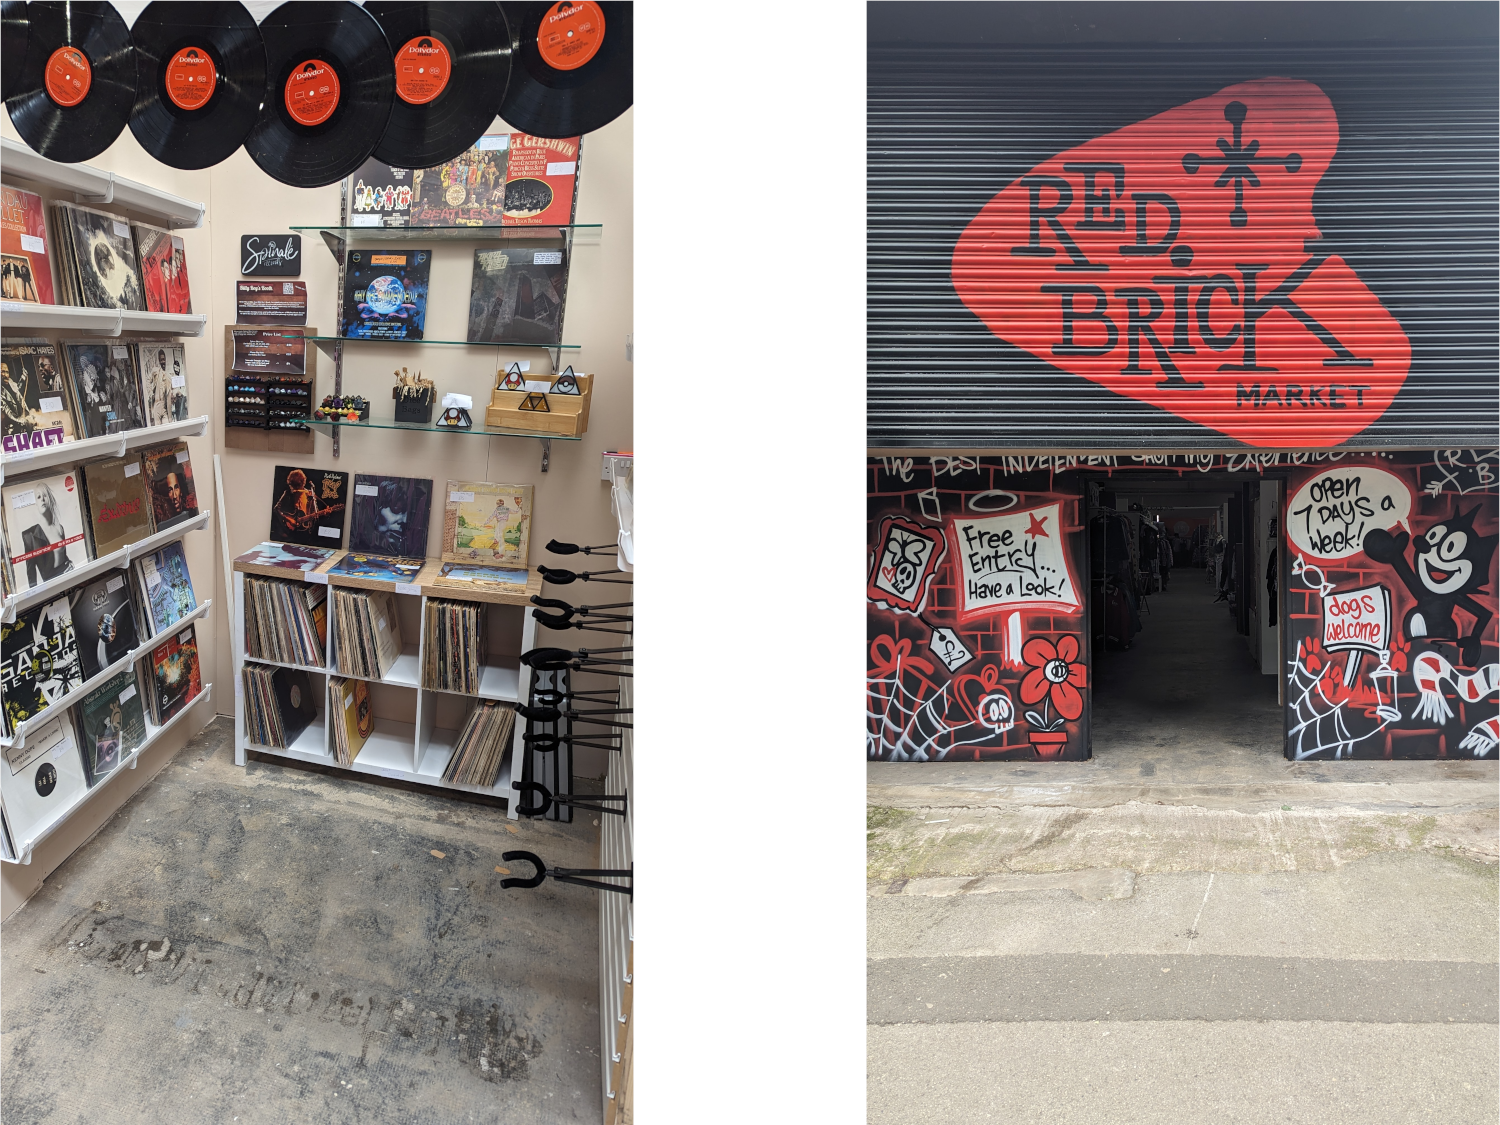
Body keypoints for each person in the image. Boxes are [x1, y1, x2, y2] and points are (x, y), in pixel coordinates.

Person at [19, 482, 75, 586]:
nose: (42, 499)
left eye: (45, 495)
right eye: (38, 497)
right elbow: (31, 571)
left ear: (50, 499)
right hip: (52, 584)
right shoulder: (29, 535)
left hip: (68, 576)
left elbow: (63, 554)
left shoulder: (59, 528)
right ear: (35, 503)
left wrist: (70, 563)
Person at [273, 468, 320, 535]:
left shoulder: (309, 494)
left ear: (302, 484)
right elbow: (276, 509)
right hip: (289, 531)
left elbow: (315, 513)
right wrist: (288, 519)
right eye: (293, 487)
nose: (295, 489)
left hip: (306, 531)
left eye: (297, 486)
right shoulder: (288, 493)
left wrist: (322, 513)